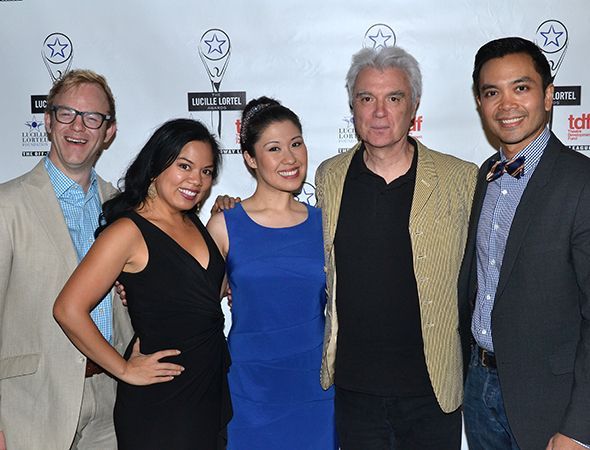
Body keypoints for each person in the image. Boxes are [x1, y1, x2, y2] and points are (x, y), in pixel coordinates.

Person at [315, 46, 478, 449]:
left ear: (414, 105)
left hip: (432, 390)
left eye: (394, 98)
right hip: (354, 391)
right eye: (366, 98)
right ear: (352, 106)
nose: (379, 112)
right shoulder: (329, 177)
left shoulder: (461, 179)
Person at [54, 118, 232, 450]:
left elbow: (202, 299)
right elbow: (67, 308)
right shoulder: (128, 232)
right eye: (184, 166)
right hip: (161, 401)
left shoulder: (195, 224)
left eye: (206, 172)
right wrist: (123, 368)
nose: (196, 180)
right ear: (156, 166)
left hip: (209, 390)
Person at [458, 36, 590, 450]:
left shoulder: (580, 182)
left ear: (549, 96)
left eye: (521, 87)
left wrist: (579, 426)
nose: (506, 104)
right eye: (491, 92)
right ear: (479, 103)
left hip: (549, 402)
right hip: (479, 389)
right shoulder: (486, 175)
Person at [0, 69, 134, 450]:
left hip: (112, 403)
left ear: (109, 132)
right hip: (28, 404)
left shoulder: (124, 209)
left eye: (93, 117)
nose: (79, 126)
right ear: (47, 120)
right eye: (66, 113)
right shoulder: (6, 205)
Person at [207, 97, 338, 449]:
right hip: (248, 386)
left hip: (315, 384)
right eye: (274, 148)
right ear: (250, 158)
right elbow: (194, 303)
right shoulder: (223, 225)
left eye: (296, 143)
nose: (290, 158)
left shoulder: (325, 224)